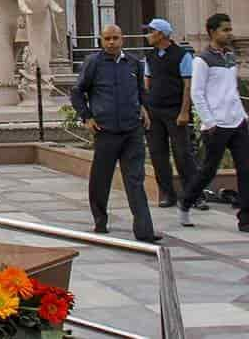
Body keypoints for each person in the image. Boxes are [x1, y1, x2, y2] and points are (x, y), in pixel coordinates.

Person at [70, 24, 160, 242]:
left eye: (115, 38)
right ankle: (100, 220)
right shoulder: (94, 63)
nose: (111, 42)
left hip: (132, 130)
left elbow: (140, 90)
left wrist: (143, 108)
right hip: (106, 129)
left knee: (135, 179)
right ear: (101, 40)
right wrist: (87, 117)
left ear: (123, 39)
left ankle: (144, 230)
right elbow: (77, 92)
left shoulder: (133, 63)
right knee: (101, 179)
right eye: (107, 38)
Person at [180, 13, 249, 231]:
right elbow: (197, 93)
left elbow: (232, 89)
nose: (229, 34)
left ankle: (245, 219)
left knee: (246, 170)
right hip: (216, 125)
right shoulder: (202, 60)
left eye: (230, 29)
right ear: (212, 32)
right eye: (224, 30)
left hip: (237, 122)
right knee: (208, 170)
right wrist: (209, 122)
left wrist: (243, 115)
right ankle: (186, 202)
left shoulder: (229, 57)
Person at [142, 18, 203, 209]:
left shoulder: (182, 55)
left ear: (161, 34)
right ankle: (168, 194)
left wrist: (185, 111)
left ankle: (194, 194)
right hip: (155, 111)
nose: (148, 35)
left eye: (151, 31)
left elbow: (187, 85)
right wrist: (146, 107)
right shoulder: (150, 56)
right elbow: (147, 81)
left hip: (175, 110)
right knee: (158, 154)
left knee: (183, 153)